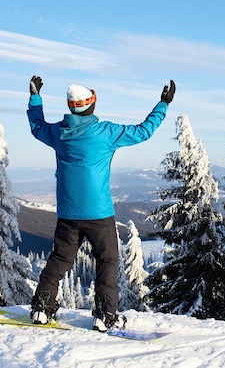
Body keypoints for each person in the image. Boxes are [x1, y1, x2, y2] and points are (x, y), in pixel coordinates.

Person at [26, 75, 175, 331]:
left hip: (68, 213)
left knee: (59, 260)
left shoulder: (58, 133)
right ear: (91, 105)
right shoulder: (106, 132)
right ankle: (105, 316)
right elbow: (143, 131)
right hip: (99, 214)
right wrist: (163, 104)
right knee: (106, 261)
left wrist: (35, 98)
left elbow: (37, 126)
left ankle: (41, 308)